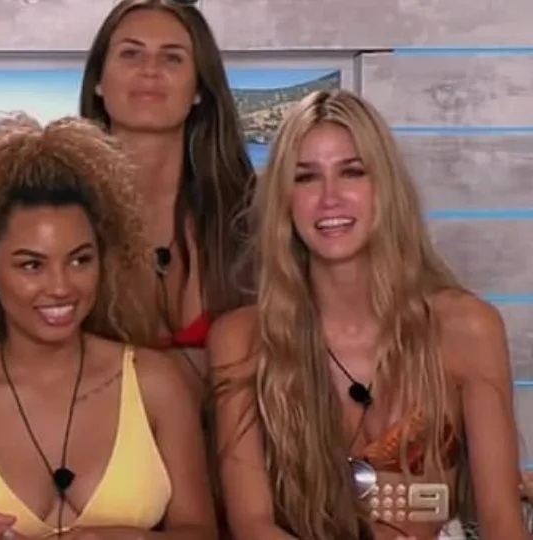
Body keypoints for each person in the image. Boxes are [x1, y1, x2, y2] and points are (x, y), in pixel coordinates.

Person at [210, 89, 528, 539]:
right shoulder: (240, 340)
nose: (330, 198)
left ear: (385, 188)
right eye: (306, 178)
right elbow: (253, 526)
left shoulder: (467, 328)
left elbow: (501, 522)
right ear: (284, 201)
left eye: (352, 172)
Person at [0, 114, 217, 540]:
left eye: (80, 260)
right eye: (32, 265)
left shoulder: (156, 385)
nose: (62, 287)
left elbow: (201, 531)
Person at [80, 0, 255, 390]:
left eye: (172, 58)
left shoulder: (249, 214)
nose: (150, 70)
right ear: (98, 82)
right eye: (131, 54)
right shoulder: (61, 210)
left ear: (199, 89)